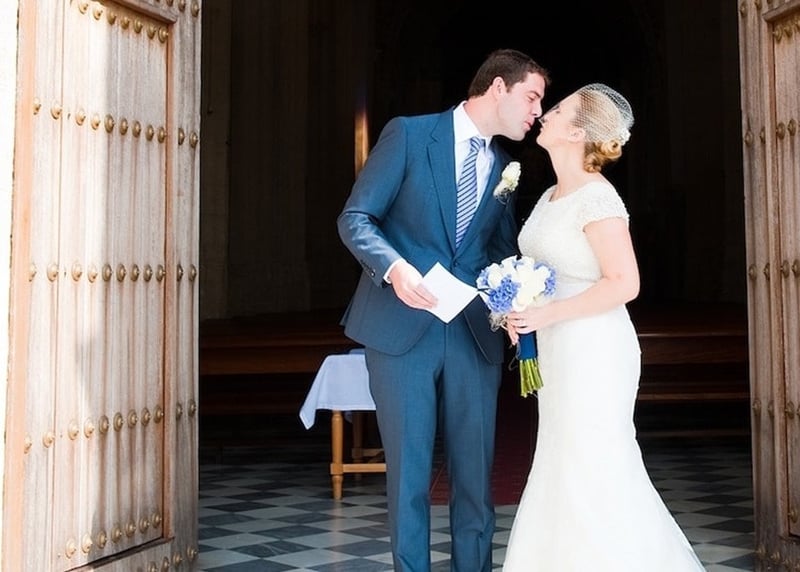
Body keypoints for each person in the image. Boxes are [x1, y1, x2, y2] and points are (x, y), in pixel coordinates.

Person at [337, 49, 550, 572]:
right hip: (401, 328)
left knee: (475, 480)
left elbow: (497, 249)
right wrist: (394, 269)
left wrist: (513, 299)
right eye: (532, 97)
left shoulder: (505, 167)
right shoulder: (409, 135)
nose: (537, 112)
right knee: (408, 478)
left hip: (473, 335)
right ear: (497, 88)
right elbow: (356, 218)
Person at [501, 83, 706, 571]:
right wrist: (520, 310)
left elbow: (625, 283)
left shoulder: (597, 197)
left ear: (577, 133)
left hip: (594, 348)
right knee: (561, 461)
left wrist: (546, 314)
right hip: (557, 346)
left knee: (594, 463)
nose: (545, 115)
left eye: (558, 110)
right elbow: (546, 272)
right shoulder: (550, 195)